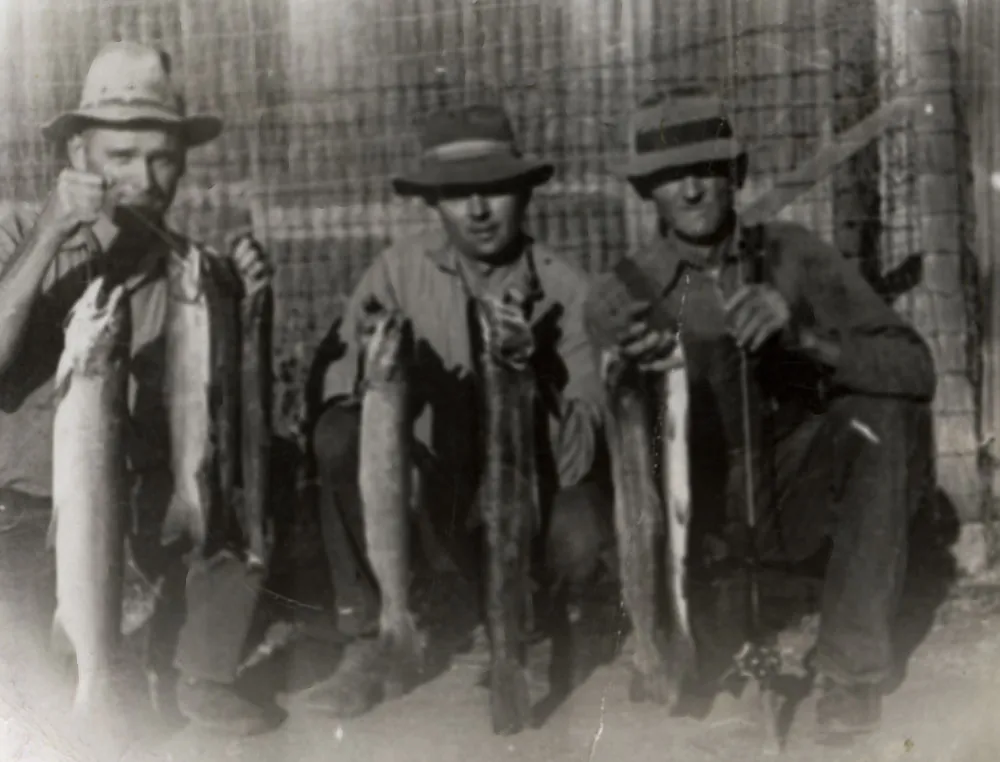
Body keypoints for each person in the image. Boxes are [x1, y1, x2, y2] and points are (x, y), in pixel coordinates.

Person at [583, 86, 936, 745]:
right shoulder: (620, 295)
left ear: (735, 176)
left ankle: (849, 669)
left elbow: (915, 368)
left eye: (707, 171)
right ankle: (670, 633)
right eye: (669, 178)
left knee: (879, 415)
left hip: (791, 497)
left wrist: (806, 336)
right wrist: (630, 374)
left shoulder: (795, 255)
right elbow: (619, 462)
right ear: (648, 193)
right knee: (697, 684)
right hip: (698, 521)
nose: (690, 191)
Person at [0, 42, 276, 735]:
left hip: (147, 504)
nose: (144, 178)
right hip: (25, 510)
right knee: (37, 689)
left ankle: (197, 671)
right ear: (77, 156)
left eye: (161, 159)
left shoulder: (191, 272)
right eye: (121, 157)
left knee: (250, 481)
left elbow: (230, 417)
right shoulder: (16, 237)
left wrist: (249, 314)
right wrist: (51, 232)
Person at [303, 103, 610, 716]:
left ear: (522, 193)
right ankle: (374, 634)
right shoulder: (396, 272)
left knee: (581, 529)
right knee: (340, 435)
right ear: (433, 203)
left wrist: (533, 374)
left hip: (525, 498)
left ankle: (532, 621)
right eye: (456, 194)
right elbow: (334, 394)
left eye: (493, 189)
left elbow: (580, 455)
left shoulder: (568, 290)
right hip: (430, 499)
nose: (476, 210)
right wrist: (374, 375)